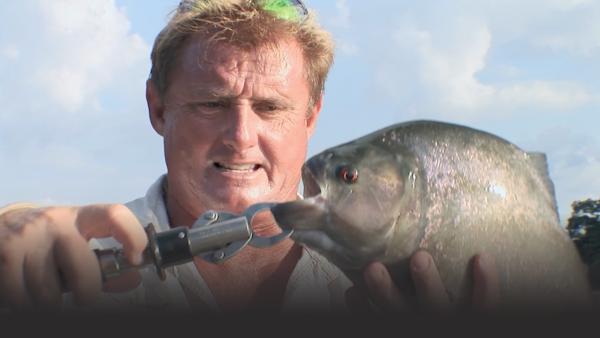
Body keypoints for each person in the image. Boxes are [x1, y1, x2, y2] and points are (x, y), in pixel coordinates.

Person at [0, 0, 499, 313]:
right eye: (211, 104)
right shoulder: (70, 268)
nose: (240, 136)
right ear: (157, 109)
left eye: (271, 108)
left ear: (310, 118)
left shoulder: (413, 282)